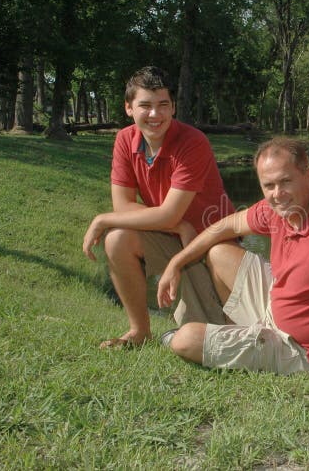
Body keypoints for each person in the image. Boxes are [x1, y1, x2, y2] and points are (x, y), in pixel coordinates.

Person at [156, 138, 309, 413]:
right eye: (269, 186)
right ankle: (238, 333)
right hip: (275, 307)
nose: (277, 193)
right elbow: (227, 225)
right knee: (219, 253)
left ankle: (233, 339)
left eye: (285, 182)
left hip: (302, 353)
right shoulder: (279, 209)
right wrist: (177, 262)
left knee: (185, 339)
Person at [83, 66, 235, 348]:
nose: (155, 115)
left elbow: (165, 212)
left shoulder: (193, 142)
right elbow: (123, 206)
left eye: (163, 105)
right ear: (129, 108)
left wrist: (102, 218)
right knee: (117, 239)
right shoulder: (124, 140)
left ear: (173, 107)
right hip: (175, 234)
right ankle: (139, 331)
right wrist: (177, 225)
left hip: (212, 245)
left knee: (218, 335)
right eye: (145, 106)